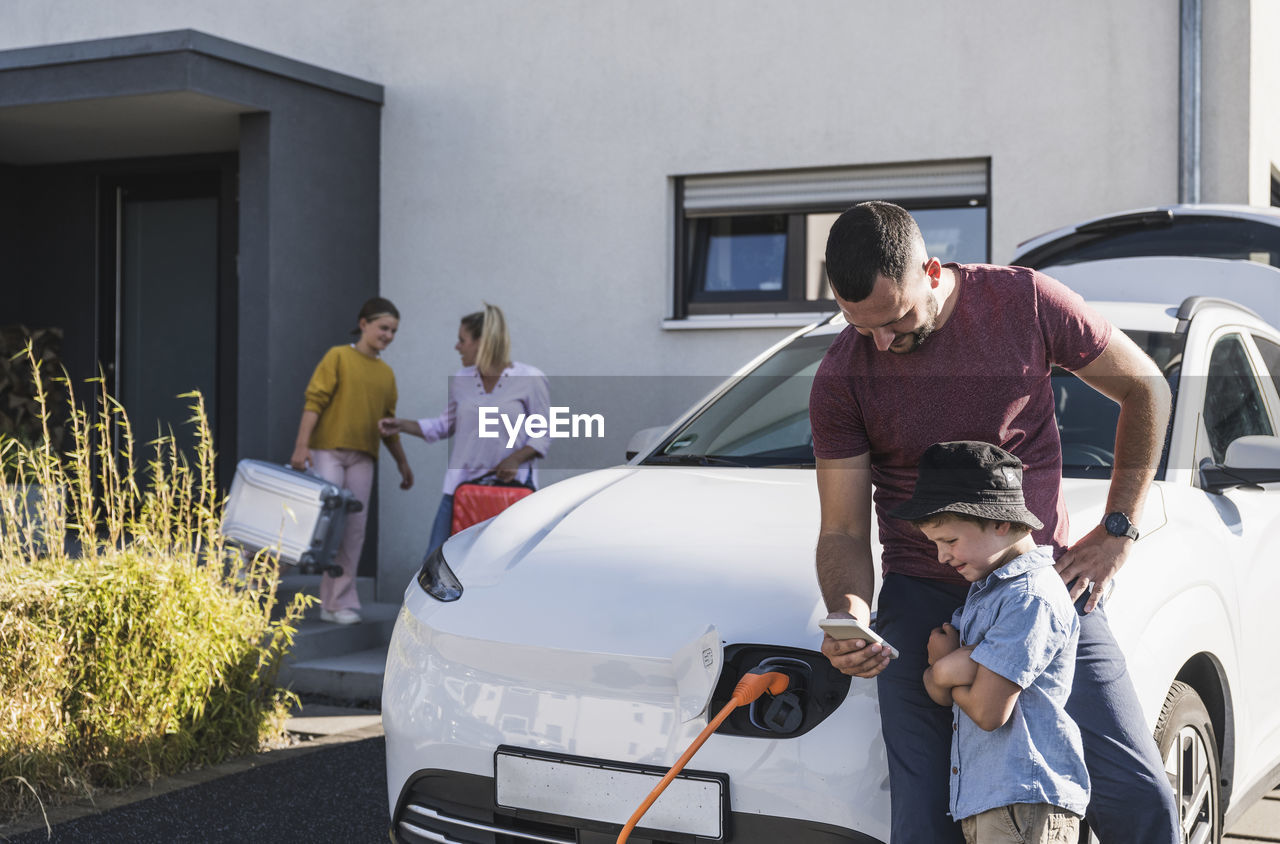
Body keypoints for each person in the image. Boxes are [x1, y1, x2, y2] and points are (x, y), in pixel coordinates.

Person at [809, 201, 1178, 843]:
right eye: (860, 326)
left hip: (1040, 583)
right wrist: (850, 612)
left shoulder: (1024, 302)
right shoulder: (842, 373)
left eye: (896, 320)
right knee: (924, 821)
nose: (882, 344)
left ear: (930, 270)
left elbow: (1146, 388)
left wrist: (1117, 528)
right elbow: (841, 530)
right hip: (923, 594)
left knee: (1135, 798)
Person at [890, 441, 1087, 844]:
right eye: (935, 544)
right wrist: (945, 671)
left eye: (949, 541)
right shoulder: (990, 593)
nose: (942, 557)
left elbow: (986, 711)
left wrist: (944, 668)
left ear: (1000, 523)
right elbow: (939, 694)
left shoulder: (1030, 598)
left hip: (1026, 801)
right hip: (993, 801)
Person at [379, 303, 549, 553]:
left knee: (505, 566)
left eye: (462, 340)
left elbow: (543, 434)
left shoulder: (531, 379)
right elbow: (442, 426)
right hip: (460, 490)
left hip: (512, 495)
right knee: (436, 563)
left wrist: (515, 459)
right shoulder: (461, 380)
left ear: (483, 342)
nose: (457, 347)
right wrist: (401, 425)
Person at [290, 296, 414, 626]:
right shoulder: (338, 357)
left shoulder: (386, 374)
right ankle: (257, 564)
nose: (387, 335)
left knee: (353, 530)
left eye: (393, 331)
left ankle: (336, 602)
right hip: (326, 450)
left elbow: (388, 424)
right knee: (318, 519)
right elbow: (314, 402)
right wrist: (301, 447)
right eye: (383, 327)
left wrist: (402, 462)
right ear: (364, 324)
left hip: (363, 458)